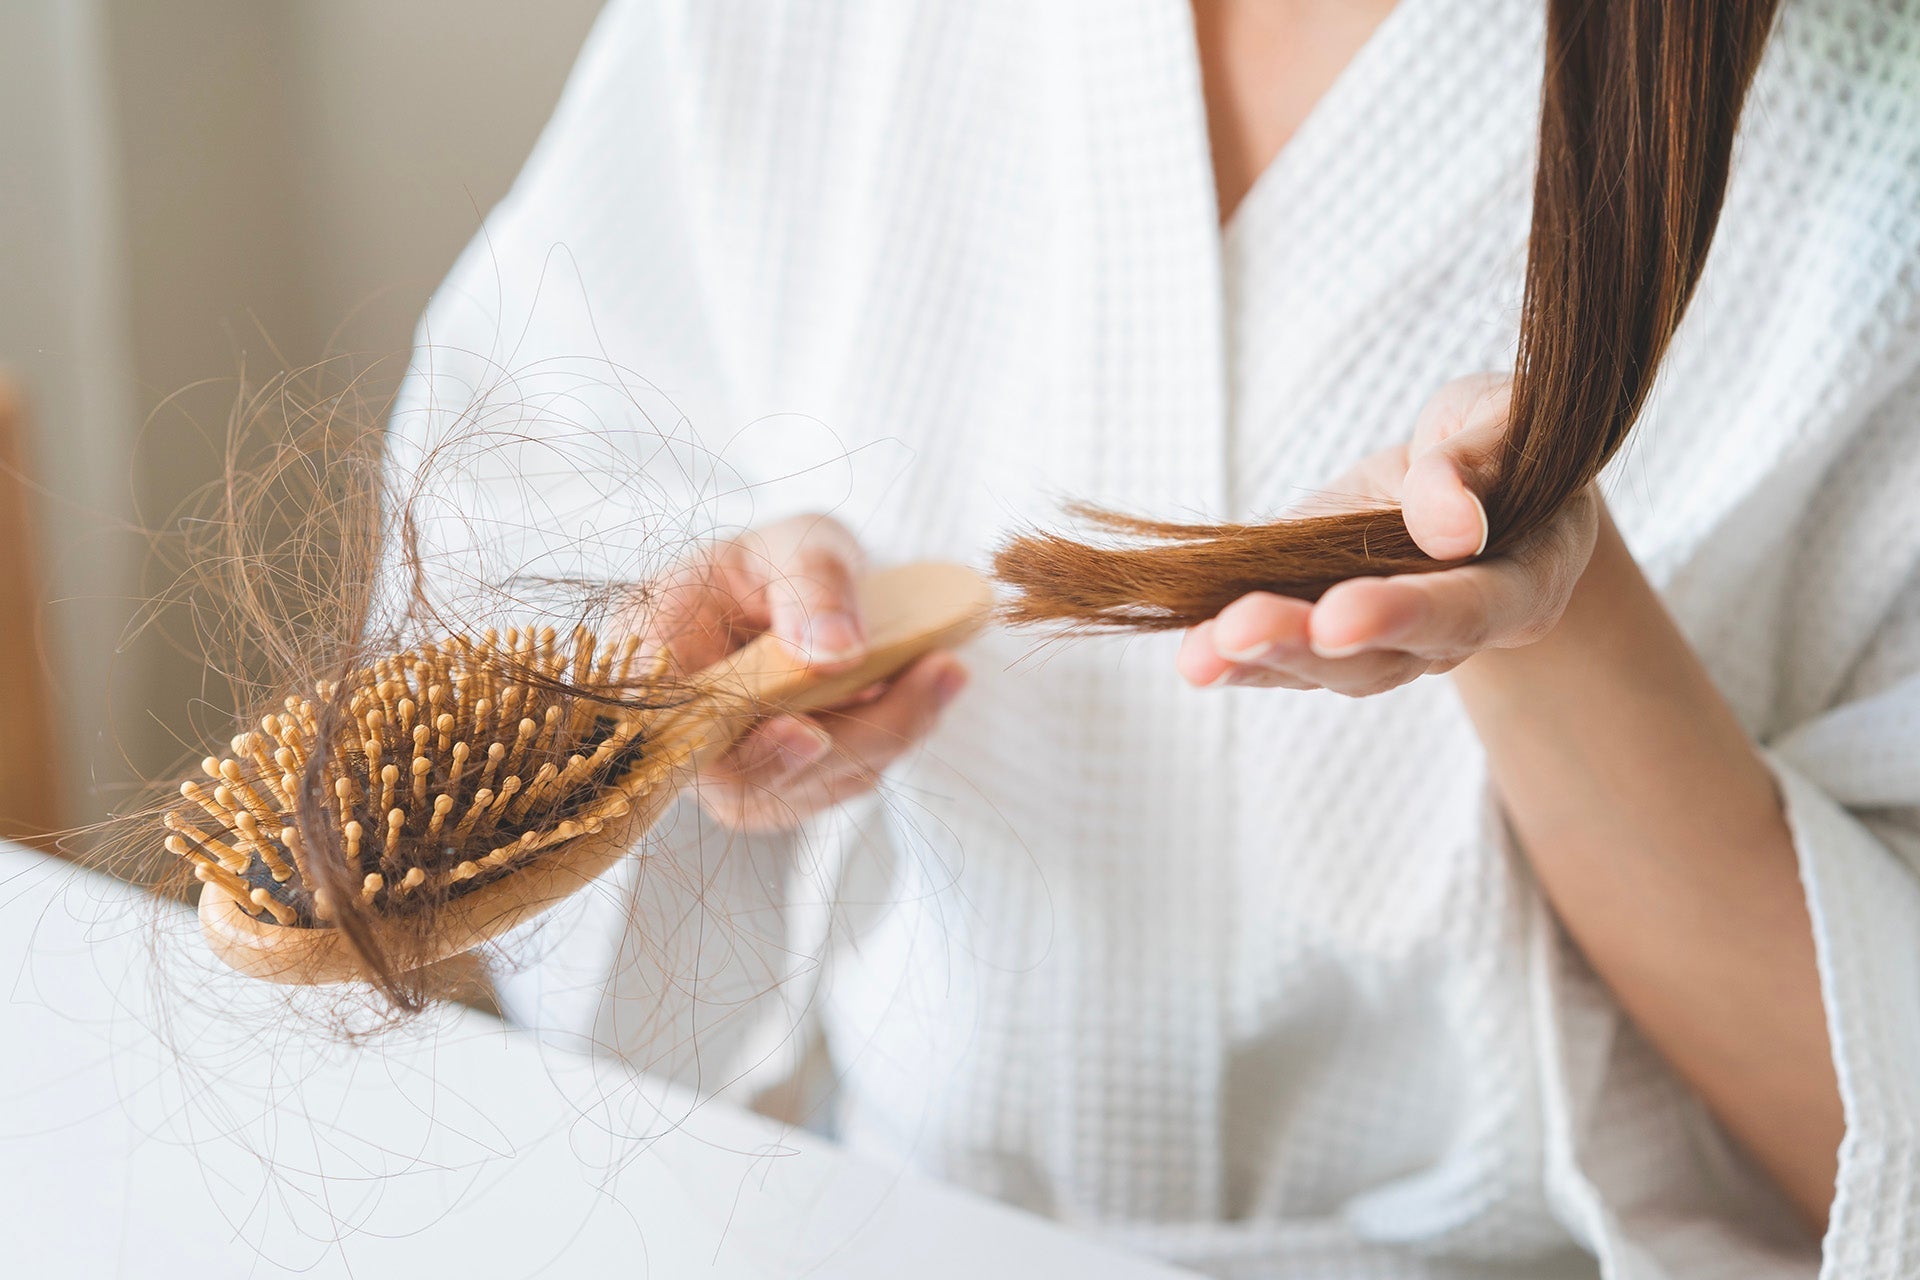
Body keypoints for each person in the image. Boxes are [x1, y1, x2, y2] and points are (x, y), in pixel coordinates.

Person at [386, 1, 1920, 1274]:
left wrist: (1553, 622)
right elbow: (505, 537)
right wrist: (678, 677)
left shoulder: (1873, 151)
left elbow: (1871, 1167)